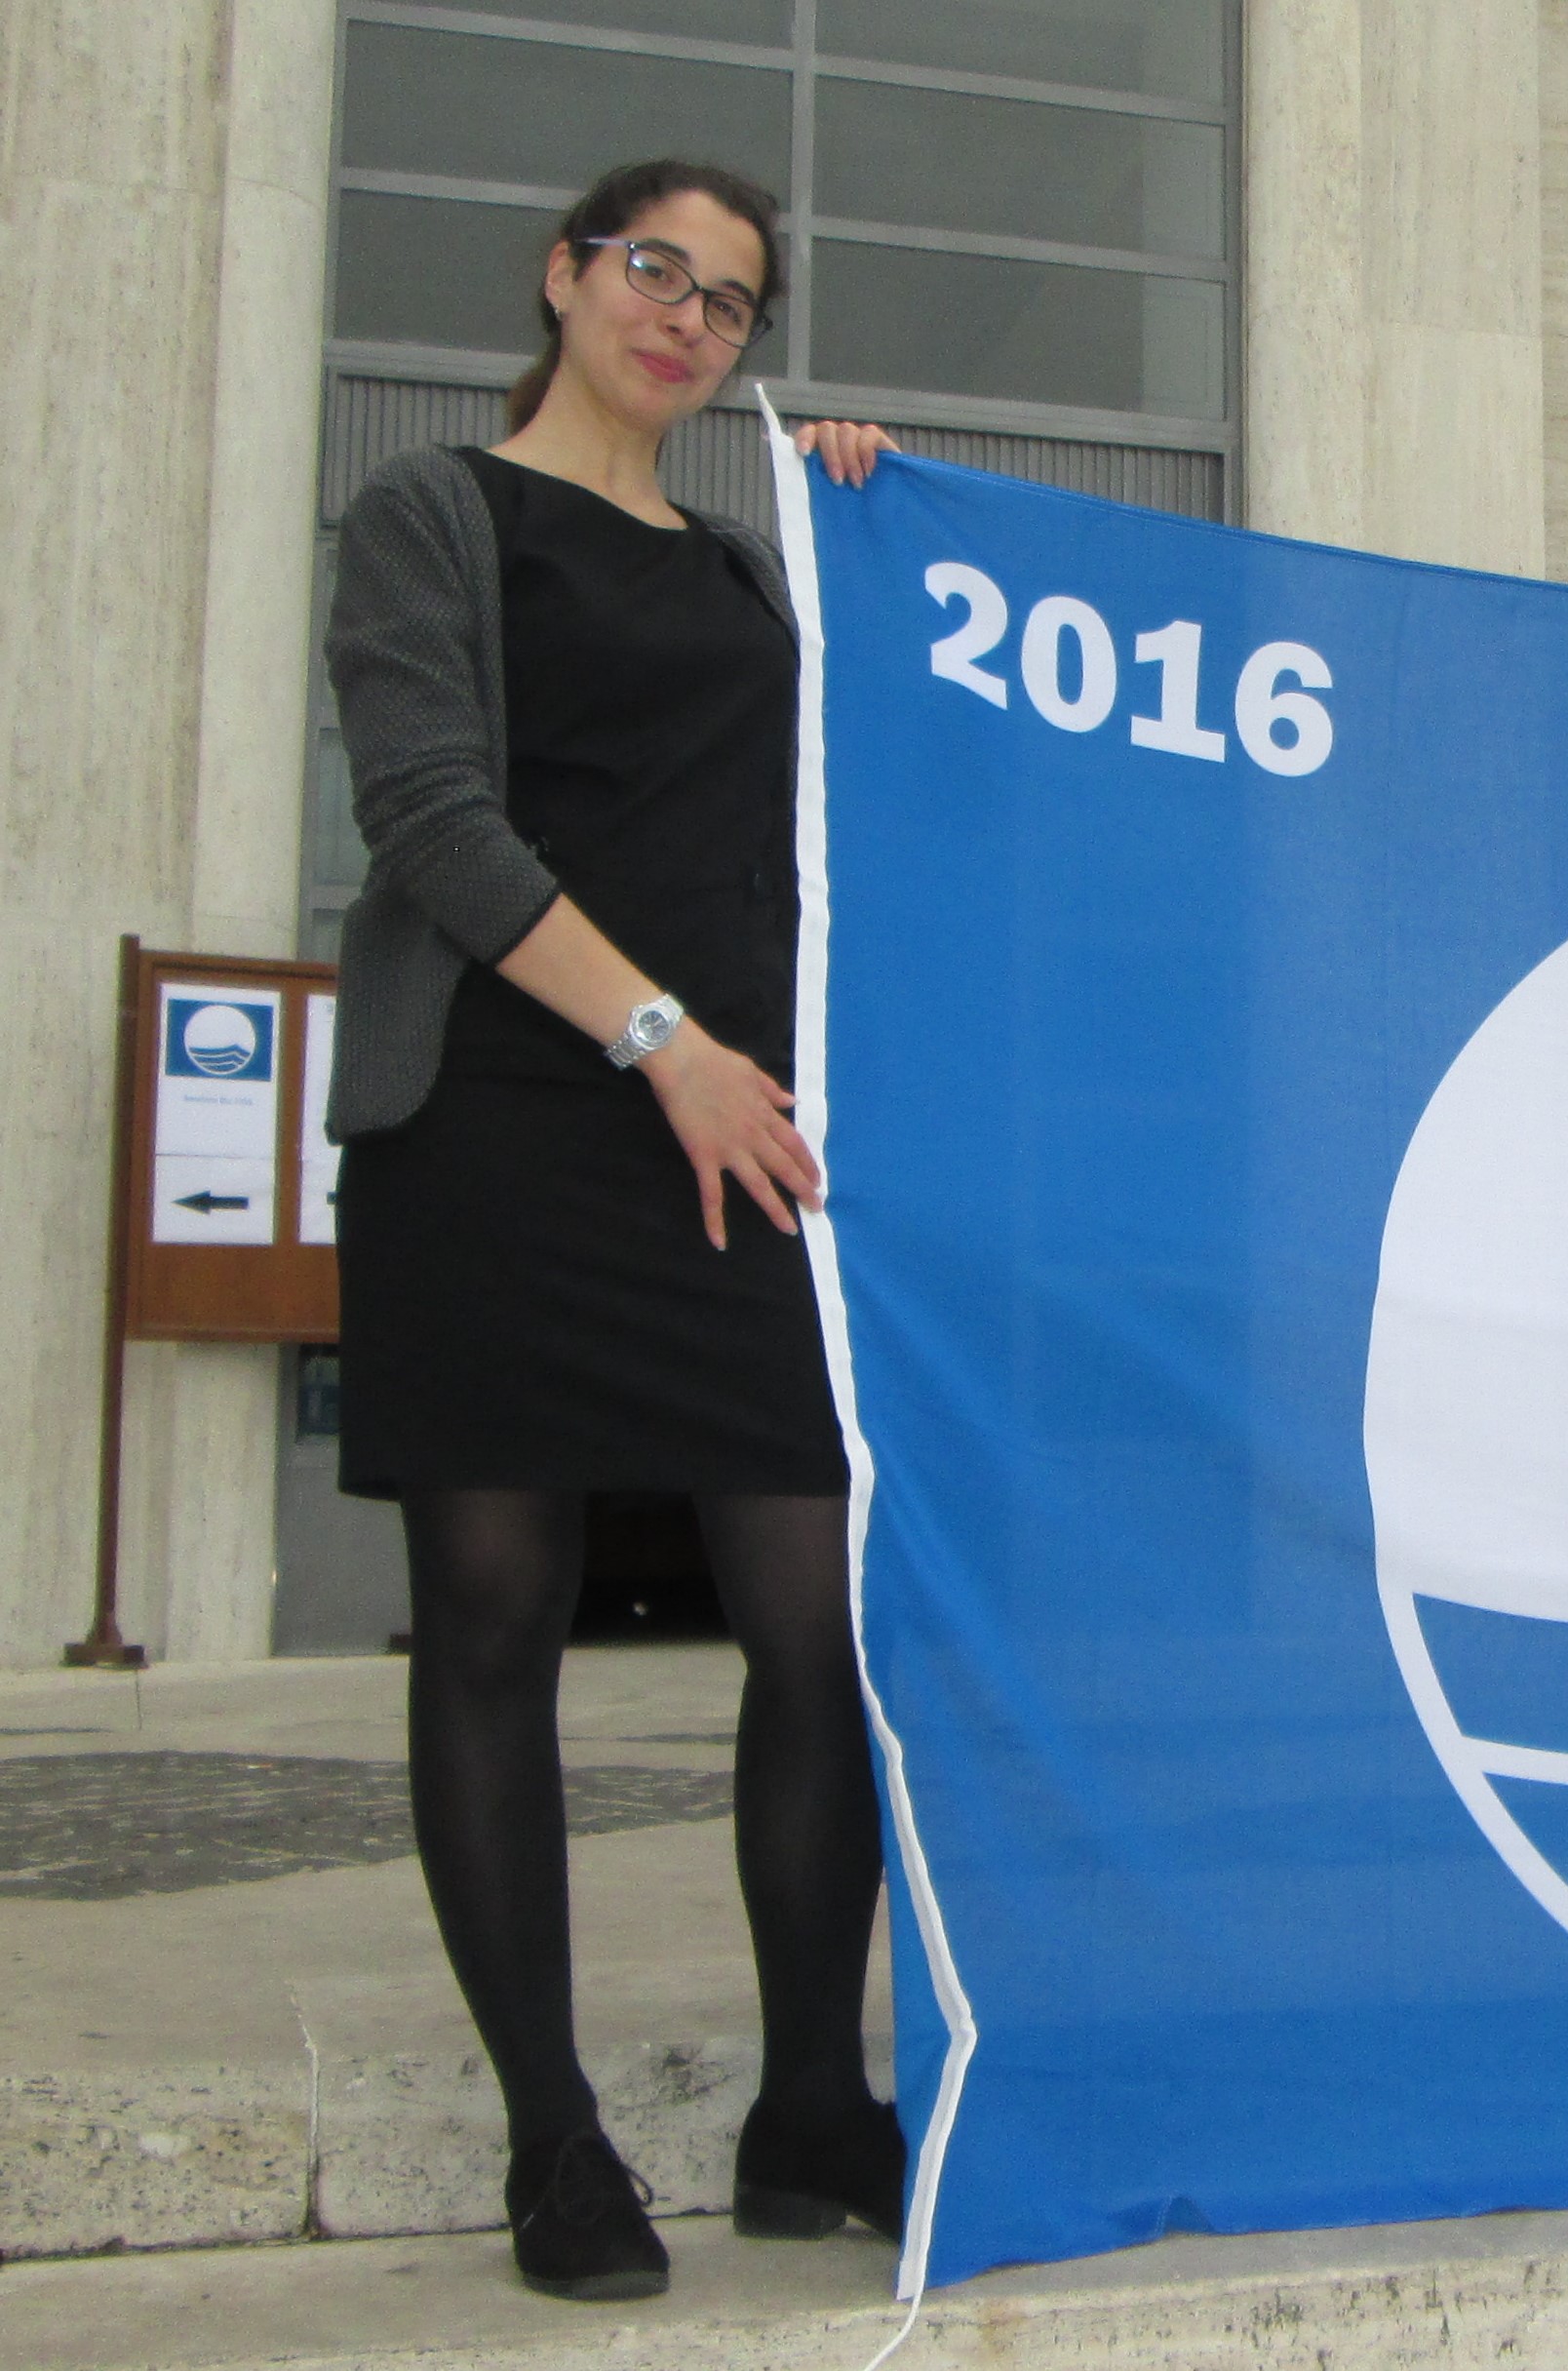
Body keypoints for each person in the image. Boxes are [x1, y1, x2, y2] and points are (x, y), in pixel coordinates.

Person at [324, 158, 899, 2303]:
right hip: (498, 1119)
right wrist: (652, 1034)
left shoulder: (755, 566)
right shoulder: (432, 517)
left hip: (728, 1142)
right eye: (653, 269)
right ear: (565, 276)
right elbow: (428, 813)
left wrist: (865, 518)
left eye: (733, 304)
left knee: (817, 1624)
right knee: (490, 1615)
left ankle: (807, 2114)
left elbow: (881, 759)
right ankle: (554, 2138)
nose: (687, 318)